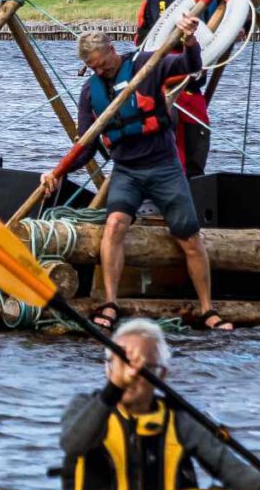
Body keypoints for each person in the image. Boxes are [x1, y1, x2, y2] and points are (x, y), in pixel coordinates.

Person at [37, 26, 230, 332]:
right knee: (114, 226)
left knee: (189, 237)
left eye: (104, 63)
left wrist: (189, 40)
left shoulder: (147, 66)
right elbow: (86, 145)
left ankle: (208, 308)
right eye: (95, 68)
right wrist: (57, 173)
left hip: (164, 167)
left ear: (113, 50)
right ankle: (110, 303)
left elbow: (191, 68)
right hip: (127, 171)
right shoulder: (91, 92)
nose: (102, 70)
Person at [58, 319, 260, 490]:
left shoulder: (181, 418)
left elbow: (227, 468)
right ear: (107, 368)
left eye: (141, 368)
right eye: (120, 364)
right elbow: (73, 444)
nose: (130, 376)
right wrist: (113, 388)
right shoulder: (85, 406)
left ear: (162, 374)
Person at [134, 0, 220, 176]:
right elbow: (168, 26)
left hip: (192, 82)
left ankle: (192, 193)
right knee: (168, 148)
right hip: (165, 84)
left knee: (196, 144)